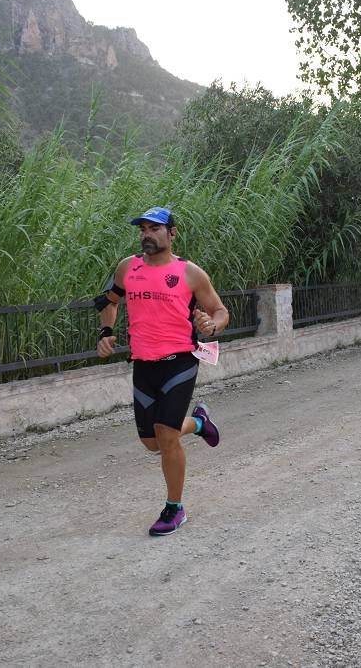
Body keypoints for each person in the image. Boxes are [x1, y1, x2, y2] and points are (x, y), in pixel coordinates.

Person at [96, 206, 230, 536]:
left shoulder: (190, 274)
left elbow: (220, 310)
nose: (147, 234)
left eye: (155, 228)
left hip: (180, 363)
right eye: (143, 228)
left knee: (167, 437)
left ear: (172, 233)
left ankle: (174, 508)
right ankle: (199, 423)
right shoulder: (128, 268)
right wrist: (105, 332)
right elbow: (108, 301)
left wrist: (212, 325)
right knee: (151, 442)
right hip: (142, 365)